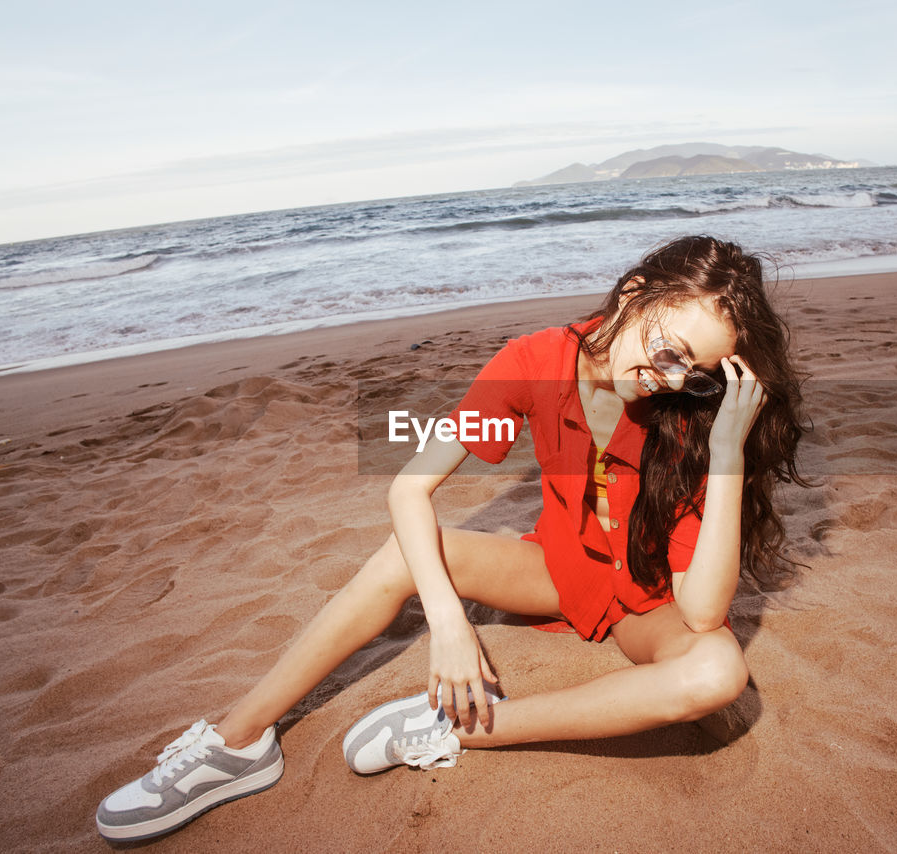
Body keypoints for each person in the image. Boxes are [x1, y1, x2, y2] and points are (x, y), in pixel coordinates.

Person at [95, 234, 806, 841]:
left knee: (716, 671)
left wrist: (730, 449)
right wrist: (447, 626)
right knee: (405, 548)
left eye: (692, 370)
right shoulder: (534, 362)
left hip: (647, 607)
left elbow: (705, 612)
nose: (666, 377)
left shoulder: (690, 421)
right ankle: (238, 742)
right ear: (634, 292)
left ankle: (465, 729)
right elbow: (409, 487)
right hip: (555, 572)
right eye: (666, 347)